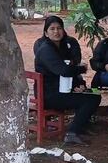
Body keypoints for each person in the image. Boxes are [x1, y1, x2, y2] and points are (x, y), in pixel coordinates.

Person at [34, 15, 101, 145]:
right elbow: (64, 71)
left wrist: (78, 84)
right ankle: (72, 133)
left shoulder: (63, 47)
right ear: (46, 33)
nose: (56, 32)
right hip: (49, 94)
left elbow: (69, 70)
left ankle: (80, 126)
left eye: (59, 28)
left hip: (63, 89)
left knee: (94, 94)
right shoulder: (46, 50)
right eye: (52, 29)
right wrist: (81, 69)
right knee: (90, 100)